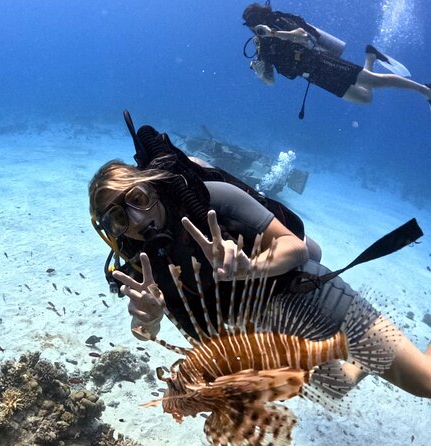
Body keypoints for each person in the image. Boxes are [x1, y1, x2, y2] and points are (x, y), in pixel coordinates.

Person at [88, 125, 431, 399]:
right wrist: (148, 322)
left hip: (298, 294)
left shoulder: (213, 200)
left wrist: (252, 268)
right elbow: (143, 330)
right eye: (118, 218)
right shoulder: (135, 261)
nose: (135, 220)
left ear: (150, 186)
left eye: (137, 199)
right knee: (338, 385)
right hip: (260, 337)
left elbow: (294, 247)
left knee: (427, 384)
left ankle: (369, 344)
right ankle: (365, 353)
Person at [242, 2, 431, 106]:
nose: (253, 29)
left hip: (321, 60)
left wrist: (273, 32)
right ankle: (370, 56)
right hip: (313, 76)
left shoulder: (278, 22)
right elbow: (270, 81)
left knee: (373, 81)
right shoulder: (262, 46)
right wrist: (260, 74)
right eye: (251, 26)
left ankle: (425, 90)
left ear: (260, 18)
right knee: (365, 98)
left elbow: (303, 35)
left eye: (253, 23)